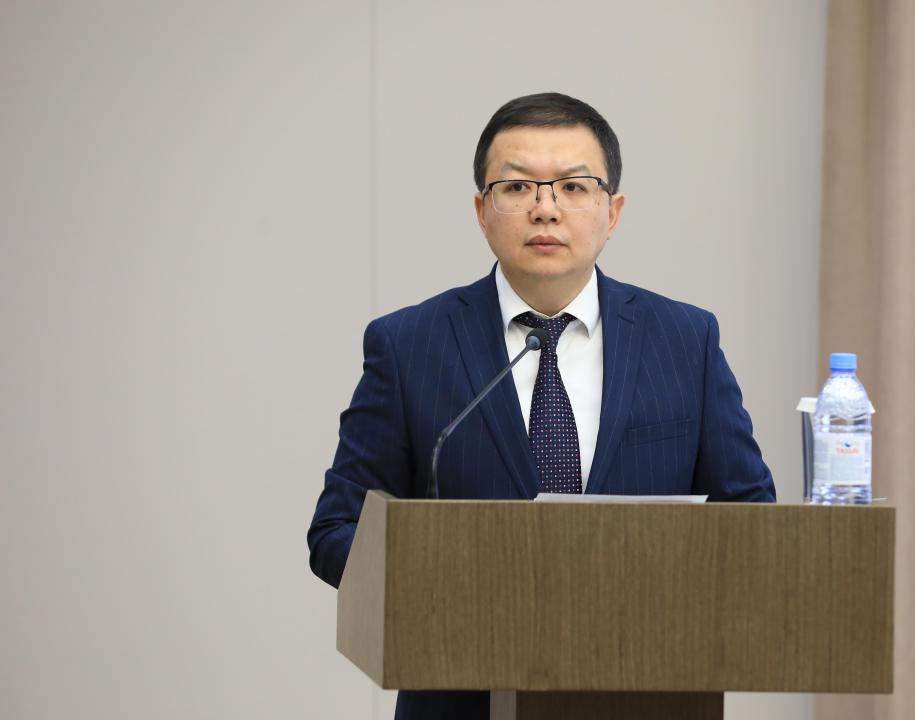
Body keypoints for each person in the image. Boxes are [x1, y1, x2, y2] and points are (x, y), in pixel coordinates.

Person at [307, 92, 775, 720]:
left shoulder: (685, 340)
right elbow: (337, 531)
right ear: (482, 211)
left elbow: (751, 521)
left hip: (649, 693)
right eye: (517, 187)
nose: (545, 208)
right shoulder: (408, 344)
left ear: (613, 211)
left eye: (574, 187)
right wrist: (445, 584)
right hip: (463, 697)